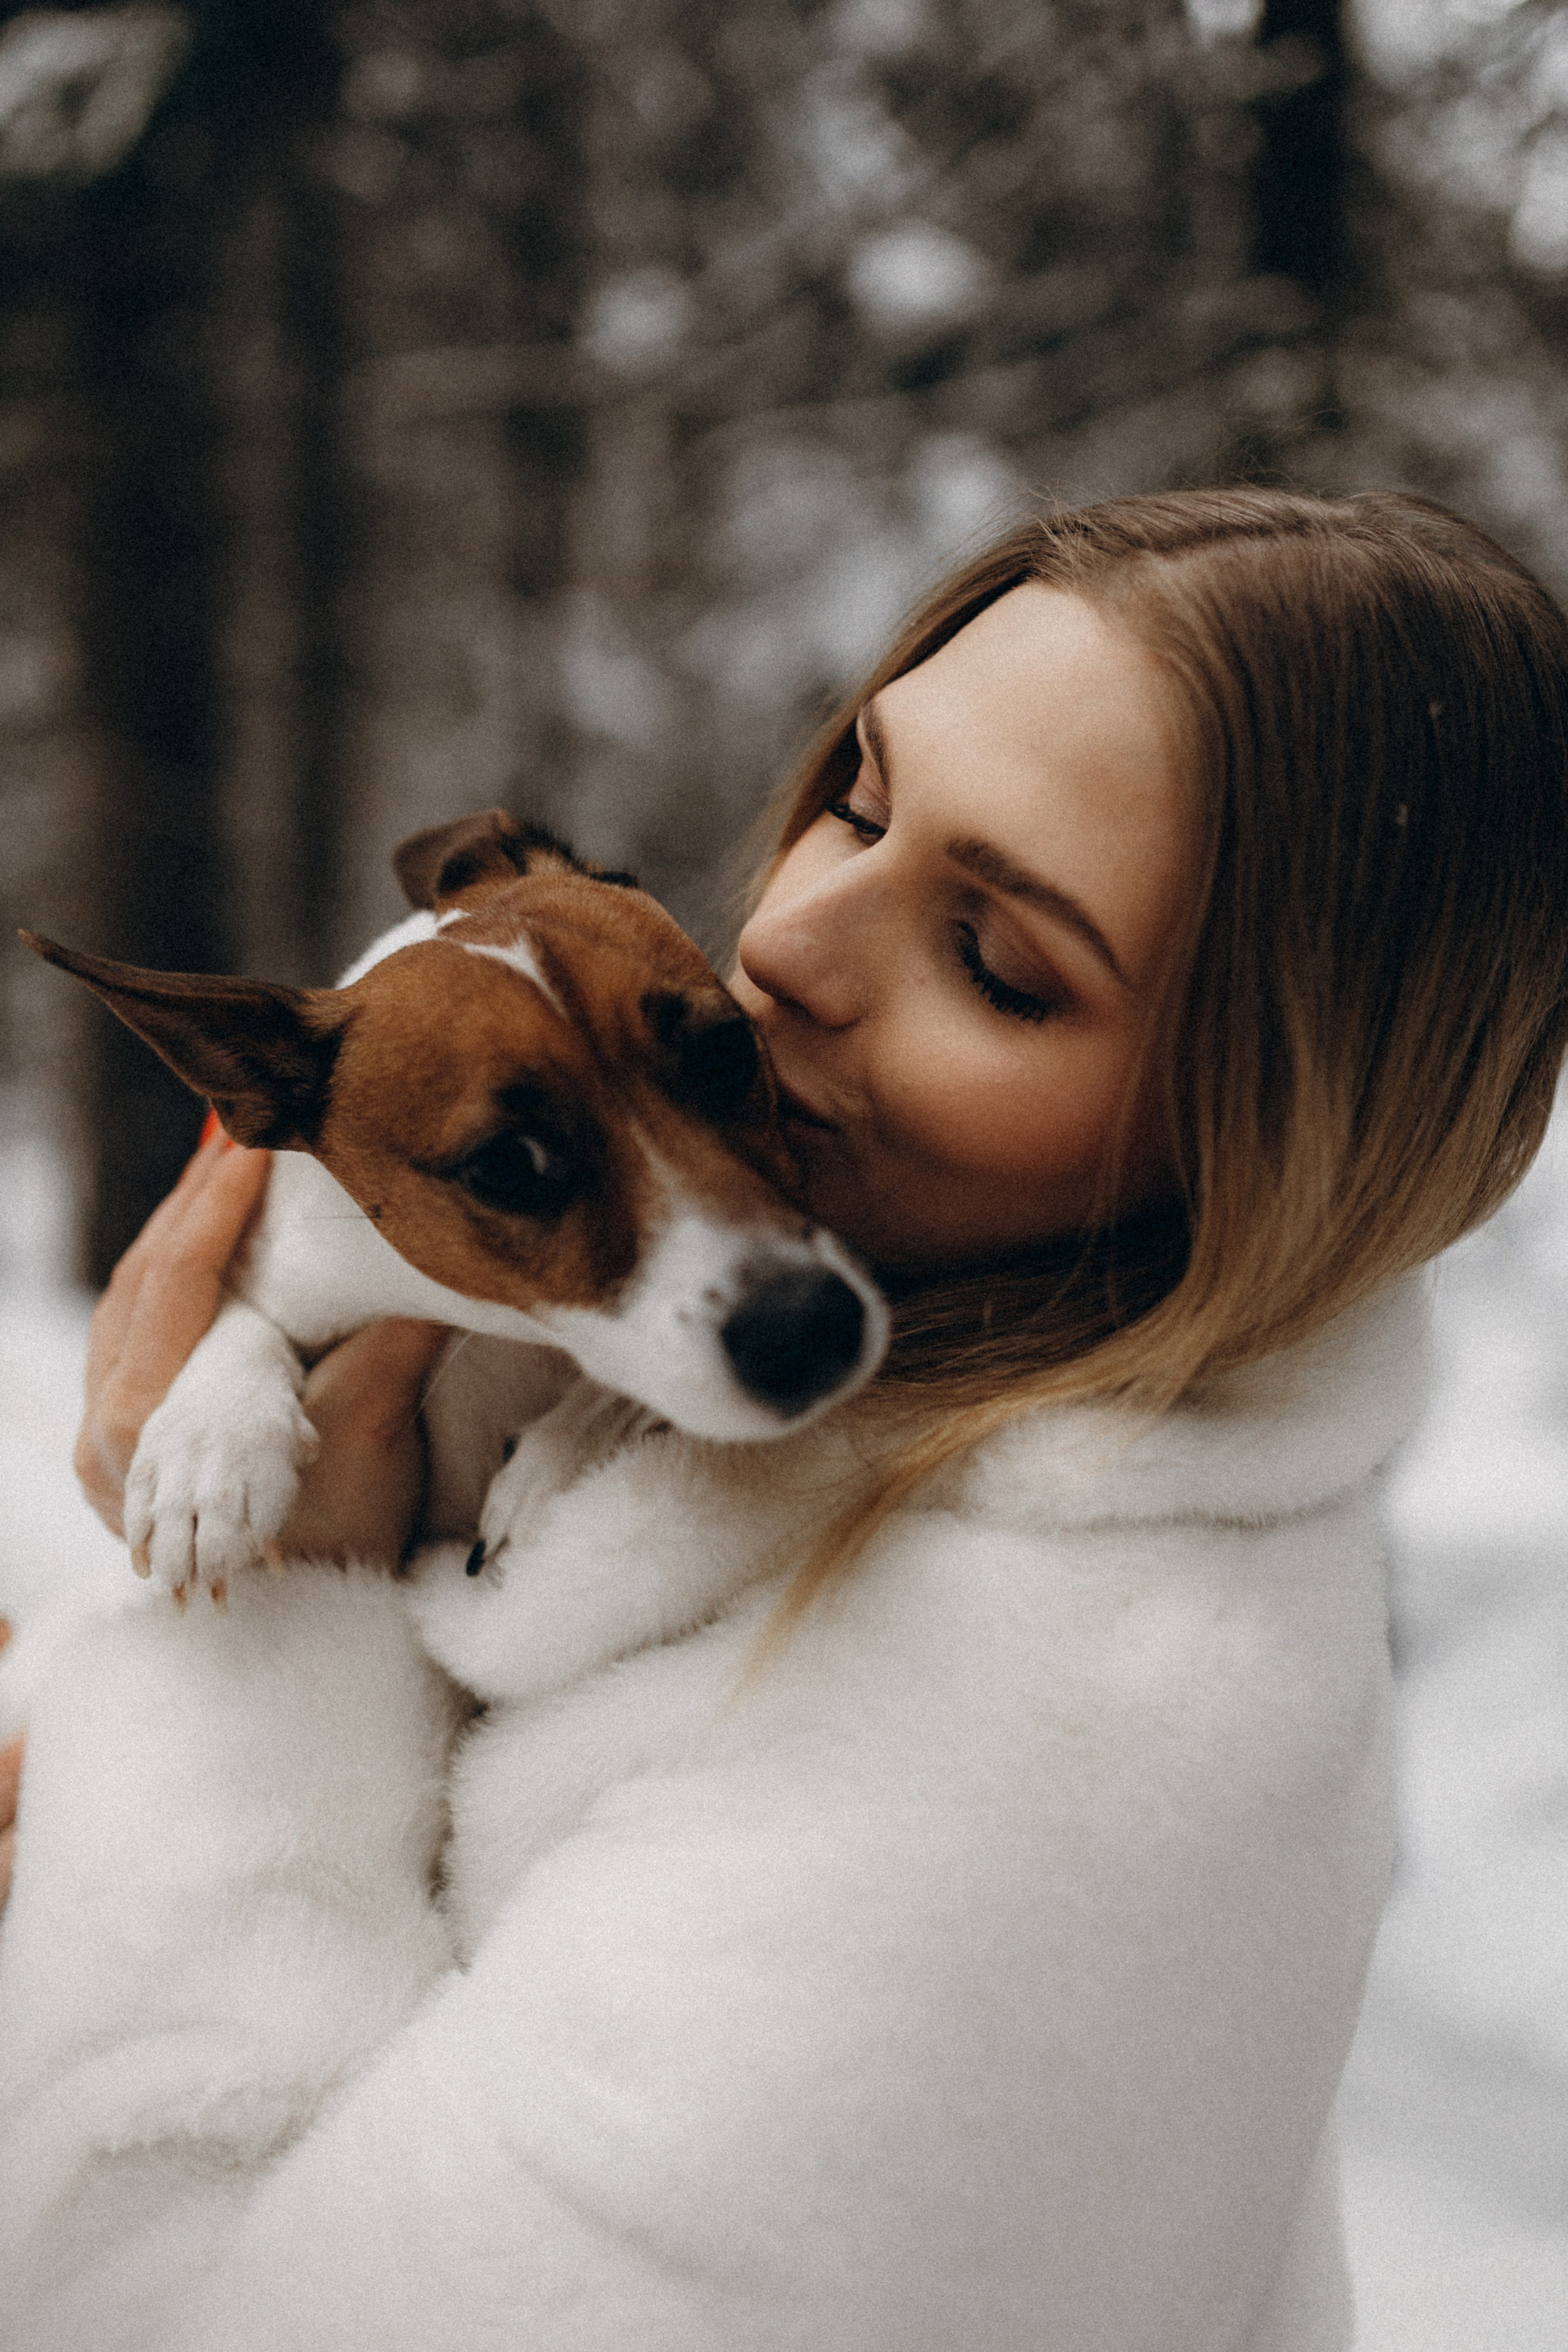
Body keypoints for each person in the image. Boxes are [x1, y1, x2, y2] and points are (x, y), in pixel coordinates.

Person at [2, 488, 1566, 2351]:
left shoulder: (1041, 1765)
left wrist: (250, 1642)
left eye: (1002, 961)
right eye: (861, 798)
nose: (791, 949)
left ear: (1280, 1138)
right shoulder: (813, 1382)